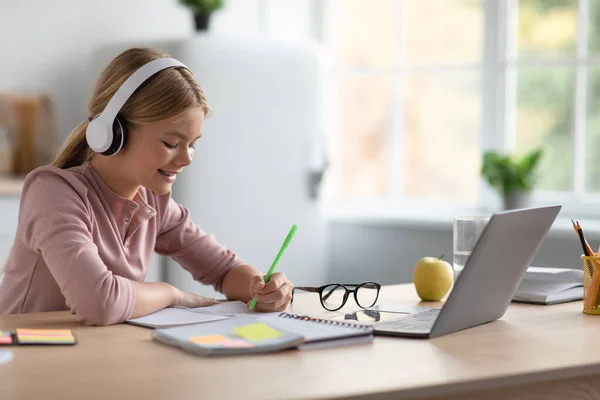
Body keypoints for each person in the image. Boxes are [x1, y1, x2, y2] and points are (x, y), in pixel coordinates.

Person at [0, 47, 293, 326]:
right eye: (171, 143)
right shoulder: (53, 192)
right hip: (28, 360)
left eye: (192, 145)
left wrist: (260, 288)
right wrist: (171, 294)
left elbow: (225, 270)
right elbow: (98, 302)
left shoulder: (154, 202)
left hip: (93, 358)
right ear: (112, 133)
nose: (187, 159)